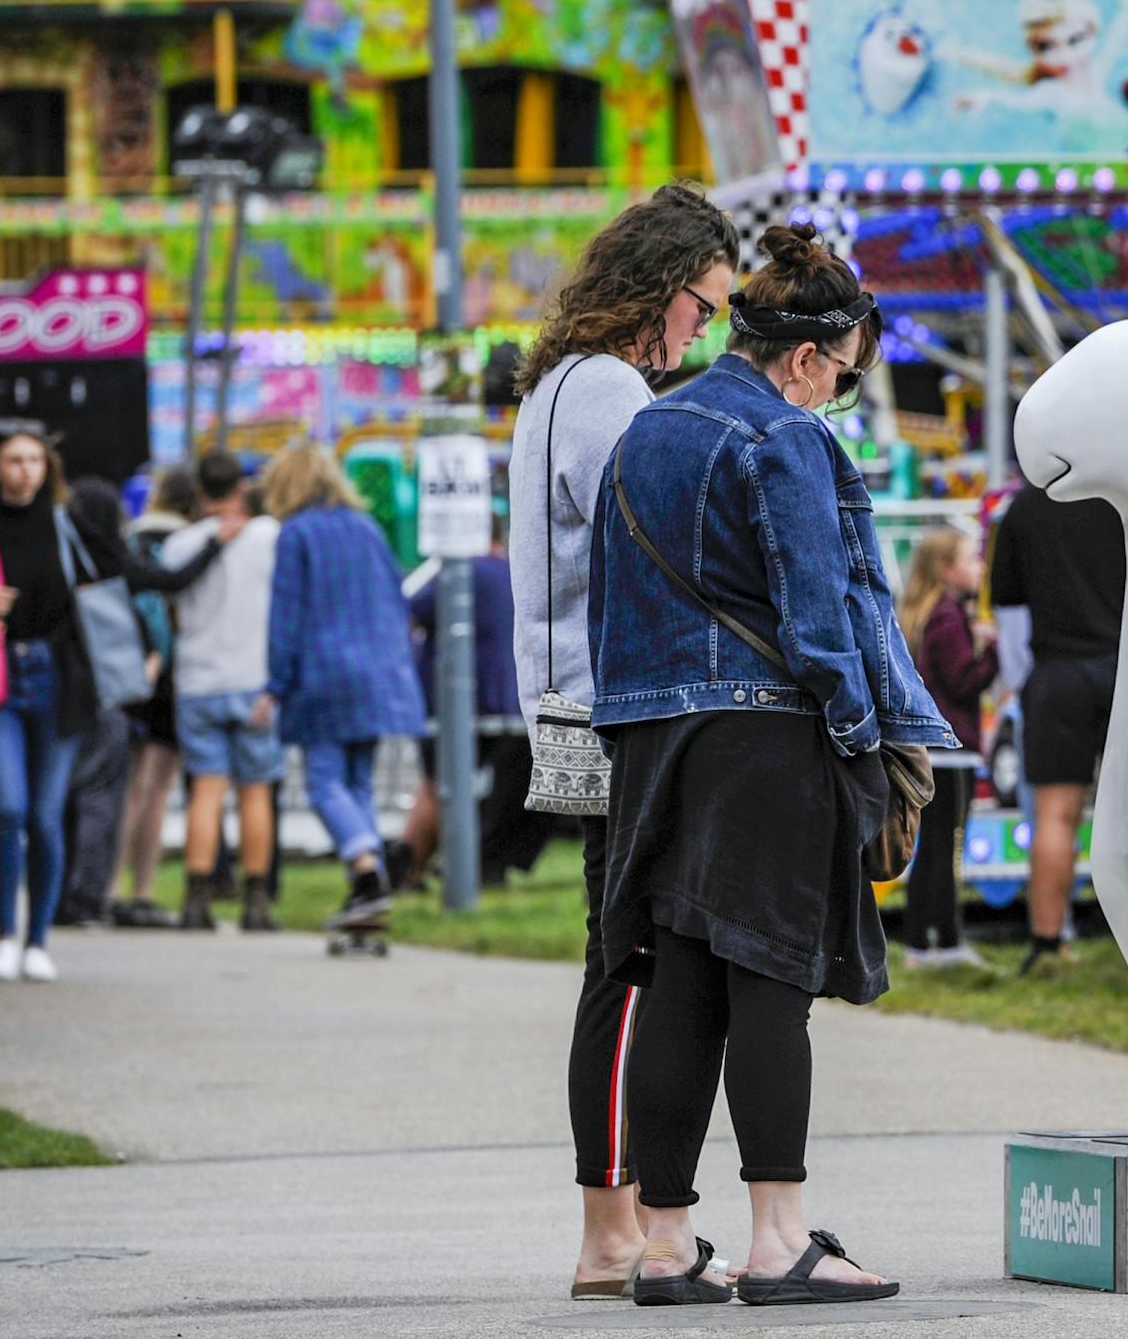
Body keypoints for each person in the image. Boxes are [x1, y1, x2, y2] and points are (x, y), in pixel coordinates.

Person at [591, 224, 947, 1307]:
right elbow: (818, 613)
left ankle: (663, 1244)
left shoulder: (645, 429)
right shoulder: (783, 439)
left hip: (653, 740)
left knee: (677, 983)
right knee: (770, 985)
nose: (835, 396)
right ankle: (782, 1237)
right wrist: (856, 733)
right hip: (764, 739)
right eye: (841, 377)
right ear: (805, 356)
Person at [507, 180, 739, 1298]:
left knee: (626, 958)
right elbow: (648, 529)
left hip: (578, 702)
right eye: (705, 304)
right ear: (662, 288)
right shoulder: (604, 389)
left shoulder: (564, 380)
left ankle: (629, 1218)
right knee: (632, 965)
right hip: (620, 707)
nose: (708, 327)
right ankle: (619, 1226)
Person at [0, 424, 221, 980]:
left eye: (35, 460)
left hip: (60, 681)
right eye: (14, 460)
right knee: (8, 808)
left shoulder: (67, 525)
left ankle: (38, 939)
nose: (26, 469)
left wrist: (212, 549)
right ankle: (5, 933)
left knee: (48, 814)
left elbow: (134, 577)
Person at [261, 442, 428, 931]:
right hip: (378, 676)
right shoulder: (367, 527)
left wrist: (276, 682)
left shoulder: (296, 534)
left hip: (324, 675)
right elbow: (395, 601)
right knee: (356, 783)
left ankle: (367, 876)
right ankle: (365, 890)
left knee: (324, 783)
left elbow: (284, 618)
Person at [990, 474, 1128, 977]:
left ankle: (1048, 945)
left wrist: (1021, 683)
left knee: (1054, 815)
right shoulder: (1122, 501)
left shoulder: (1023, 510)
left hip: (1056, 674)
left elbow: (1009, 611)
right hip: (1125, 669)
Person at [160, 451, 281, 931]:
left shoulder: (177, 545)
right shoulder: (268, 538)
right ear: (241, 486)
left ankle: (196, 900)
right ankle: (256, 903)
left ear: (197, 490)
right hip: (254, 681)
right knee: (255, 793)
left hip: (197, 680)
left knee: (206, 792)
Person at [403, 517, 529, 888]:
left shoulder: (460, 572)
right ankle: (476, 867)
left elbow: (408, 610)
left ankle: (405, 870)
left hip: (458, 703)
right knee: (476, 789)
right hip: (509, 704)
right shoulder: (513, 571)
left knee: (438, 785)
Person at [896, 522, 995, 966]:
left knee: (930, 849)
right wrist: (994, 652)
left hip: (930, 749)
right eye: (971, 558)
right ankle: (948, 942)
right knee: (947, 848)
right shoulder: (948, 616)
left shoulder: (923, 614)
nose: (979, 567)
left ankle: (920, 942)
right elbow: (962, 681)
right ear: (946, 568)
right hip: (952, 752)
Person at [111, 469, 200, 928]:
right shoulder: (194, 543)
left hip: (130, 670)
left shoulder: (129, 540)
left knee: (125, 787)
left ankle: (107, 887)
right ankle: (142, 890)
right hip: (175, 675)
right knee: (158, 787)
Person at [53, 478, 143, 928]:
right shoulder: (112, 561)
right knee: (101, 796)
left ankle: (55, 890)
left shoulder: (59, 558)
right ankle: (86, 893)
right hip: (105, 688)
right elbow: (165, 580)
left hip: (60, 690)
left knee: (62, 795)